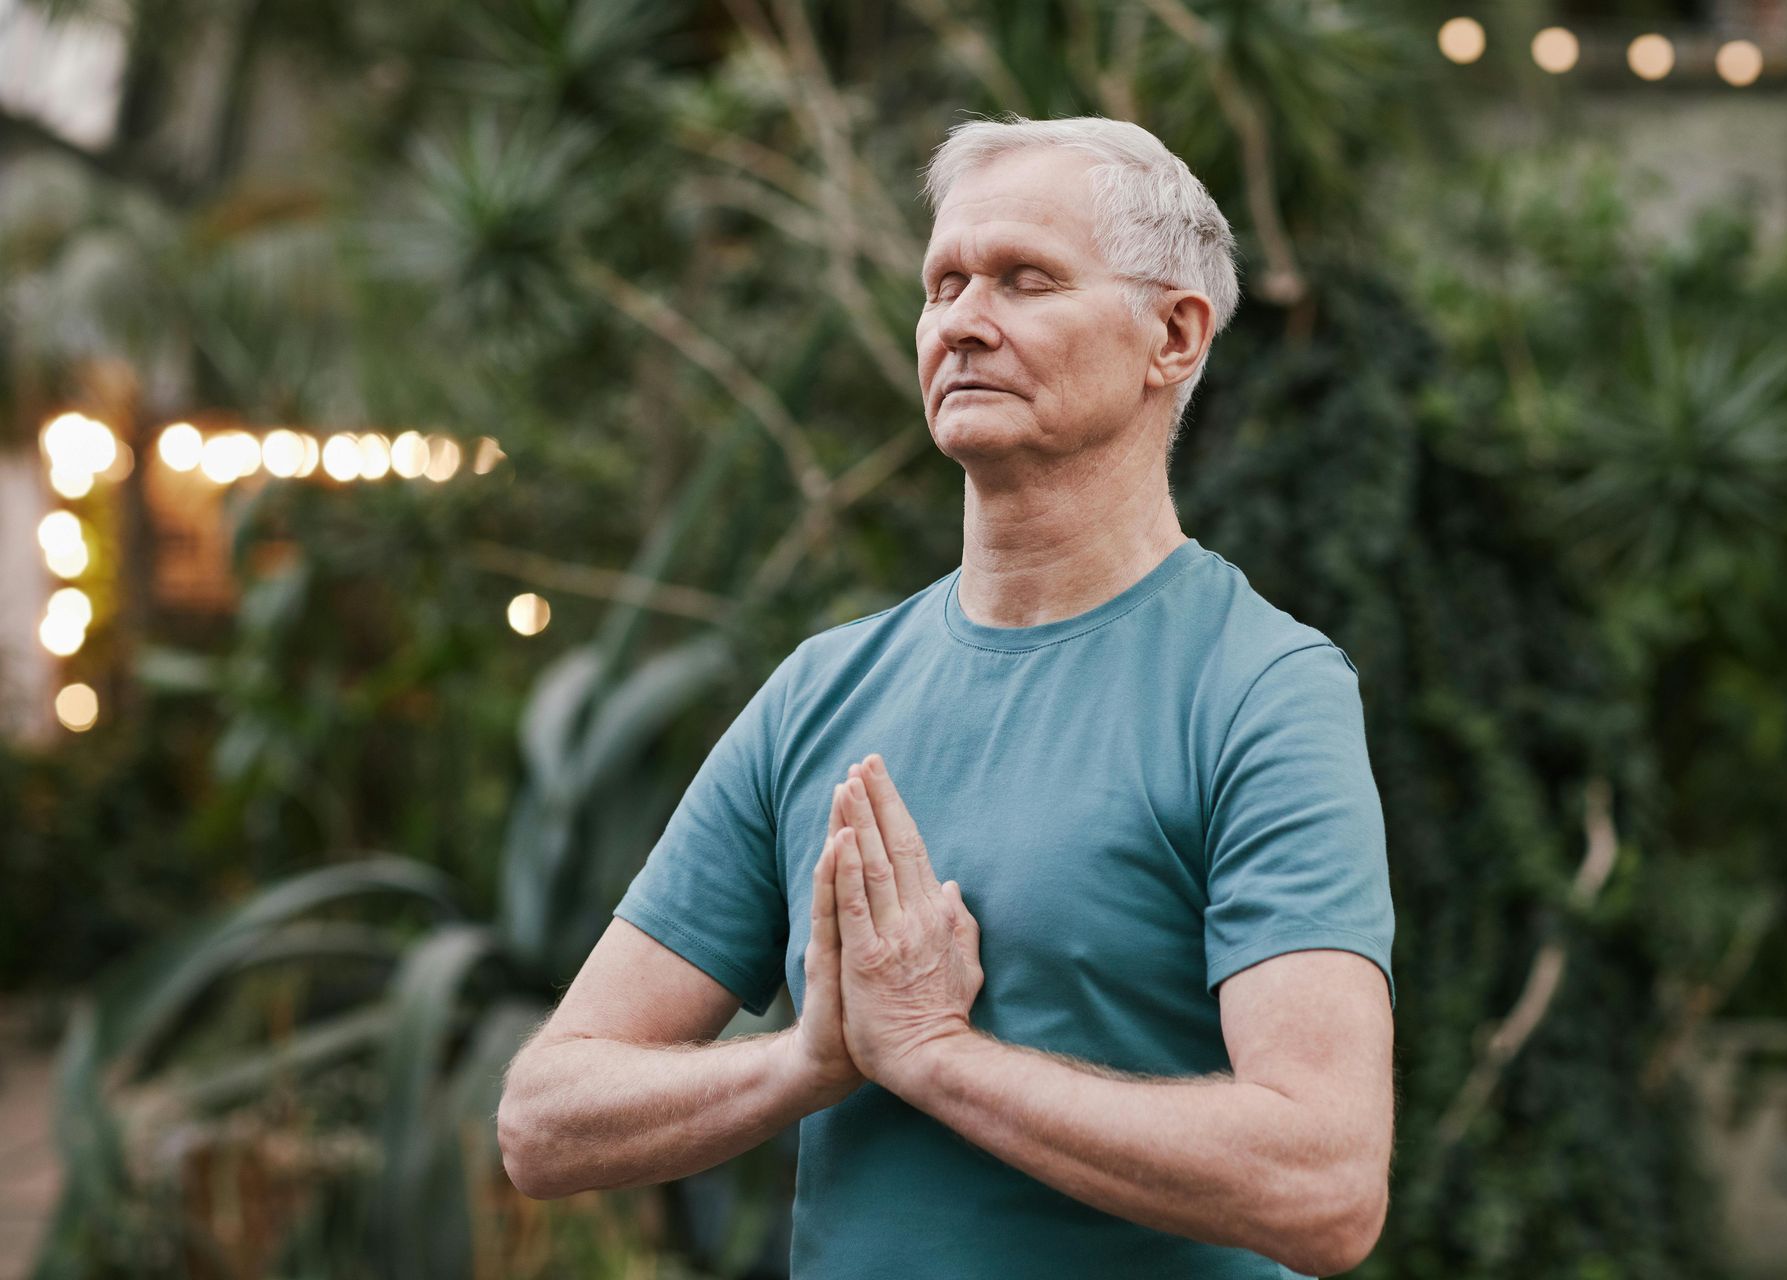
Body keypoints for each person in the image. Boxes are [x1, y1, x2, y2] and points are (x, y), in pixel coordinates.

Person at [497, 113, 1396, 1280]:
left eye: (1025, 280)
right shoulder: (820, 688)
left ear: (1172, 336)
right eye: (945, 282)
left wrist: (936, 1053)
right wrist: (810, 1059)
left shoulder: (1262, 691)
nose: (964, 320)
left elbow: (1323, 1180)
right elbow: (543, 1116)